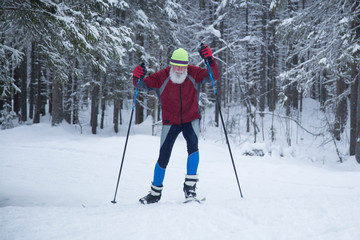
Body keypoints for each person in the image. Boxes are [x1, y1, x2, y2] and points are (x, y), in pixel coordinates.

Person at [132, 44, 219, 204]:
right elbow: (141, 86)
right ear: (171, 65)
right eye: (176, 66)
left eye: (182, 66)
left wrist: (210, 60)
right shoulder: (162, 76)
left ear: (187, 66)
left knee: (193, 148)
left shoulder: (194, 74)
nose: (179, 70)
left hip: (191, 118)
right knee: (163, 156)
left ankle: (190, 188)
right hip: (170, 122)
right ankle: (155, 193)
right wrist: (137, 76)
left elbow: (214, 75)